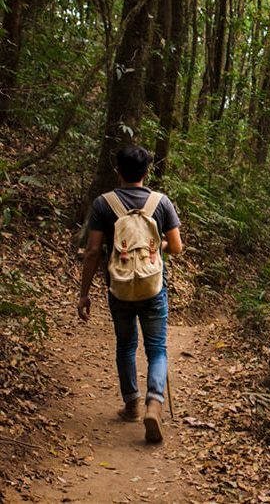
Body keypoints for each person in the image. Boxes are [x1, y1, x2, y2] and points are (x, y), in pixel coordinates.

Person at [76, 145, 182, 443]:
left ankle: (131, 403)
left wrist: (84, 294)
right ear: (147, 171)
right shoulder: (161, 203)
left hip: (119, 288)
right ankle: (154, 404)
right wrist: (156, 247)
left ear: (118, 171)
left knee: (125, 345)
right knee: (157, 349)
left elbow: (94, 251)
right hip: (153, 288)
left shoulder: (103, 204)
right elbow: (175, 247)